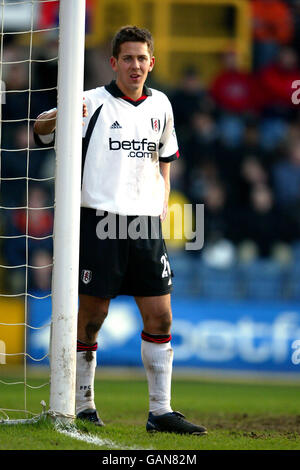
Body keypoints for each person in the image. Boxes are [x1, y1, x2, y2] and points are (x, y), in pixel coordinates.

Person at [33, 26, 207, 436]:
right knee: (93, 317)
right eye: (127, 58)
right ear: (114, 63)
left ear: (152, 63)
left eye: (141, 58)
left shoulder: (161, 105)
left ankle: (160, 411)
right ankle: (82, 404)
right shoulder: (91, 102)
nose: (135, 65)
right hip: (98, 221)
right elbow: (42, 129)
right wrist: (61, 113)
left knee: (161, 317)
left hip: (145, 225)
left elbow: (165, 156)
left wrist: (163, 195)